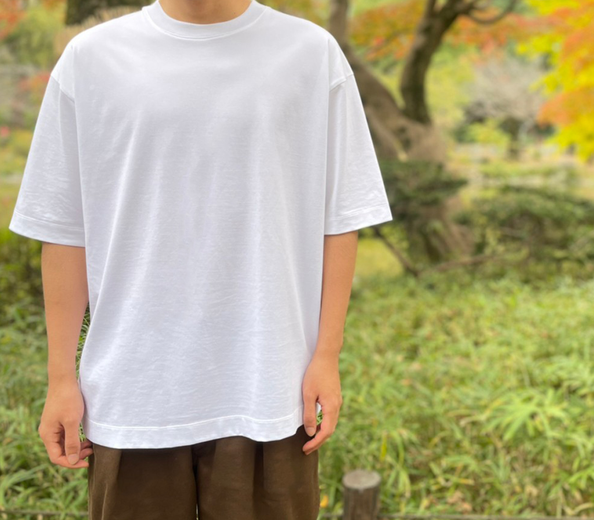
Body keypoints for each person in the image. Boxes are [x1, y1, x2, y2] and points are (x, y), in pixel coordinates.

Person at [8, 0, 394, 518]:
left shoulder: (310, 54)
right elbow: (63, 231)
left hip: (270, 386)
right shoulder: (92, 59)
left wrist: (328, 354)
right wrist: (61, 378)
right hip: (133, 390)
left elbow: (340, 217)